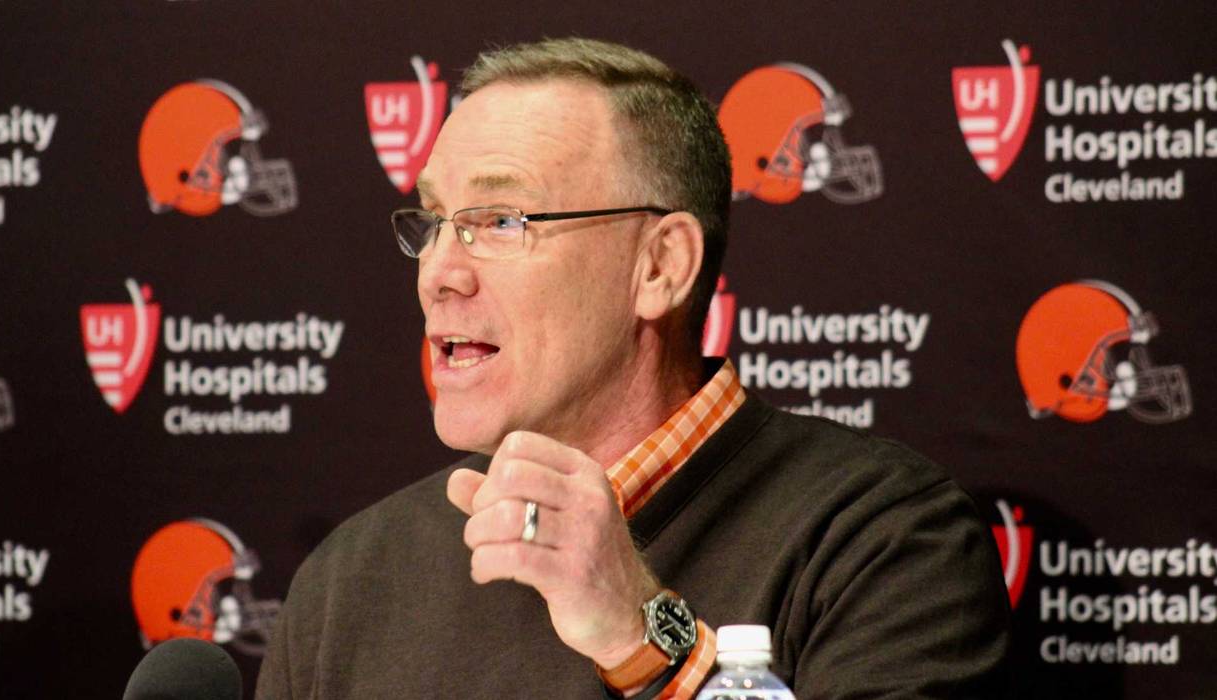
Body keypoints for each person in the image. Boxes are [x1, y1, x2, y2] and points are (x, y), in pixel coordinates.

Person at [256, 37, 1010, 699]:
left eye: (499, 222)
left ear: (660, 266)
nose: (439, 273)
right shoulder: (352, 579)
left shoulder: (880, 539)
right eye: (433, 222)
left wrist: (642, 638)